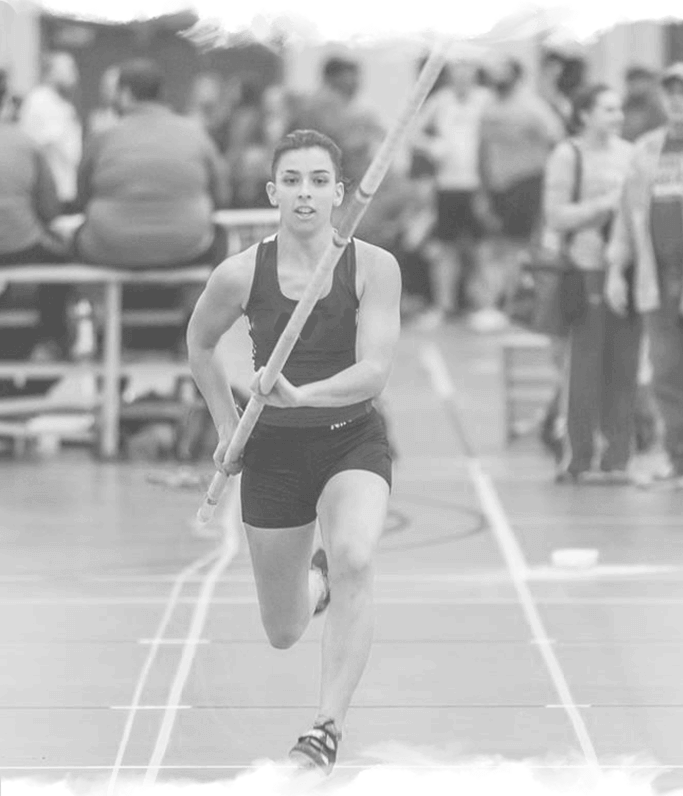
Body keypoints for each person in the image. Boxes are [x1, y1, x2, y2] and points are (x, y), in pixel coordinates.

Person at [186, 129, 399, 771]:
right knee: (283, 631)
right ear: (272, 191)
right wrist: (229, 427)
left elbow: (374, 372)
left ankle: (325, 728)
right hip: (273, 455)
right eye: (292, 181)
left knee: (357, 557)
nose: (304, 194)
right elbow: (199, 345)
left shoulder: (373, 266)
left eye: (317, 181)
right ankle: (316, 583)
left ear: (339, 192)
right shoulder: (241, 271)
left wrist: (302, 396)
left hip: (350, 439)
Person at [544, 83, 637, 483]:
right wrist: (604, 204)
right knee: (584, 365)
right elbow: (555, 216)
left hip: (626, 270)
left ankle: (618, 457)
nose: (617, 116)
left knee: (625, 365)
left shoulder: (631, 153)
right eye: (608, 109)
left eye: (619, 110)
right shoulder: (569, 155)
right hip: (584, 268)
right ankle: (579, 455)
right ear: (584, 114)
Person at [606, 63, 683, 488]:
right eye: (671, 92)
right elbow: (626, 216)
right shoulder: (647, 149)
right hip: (659, 278)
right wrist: (617, 269)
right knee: (666, 371)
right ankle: (678, 458)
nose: (677, 99)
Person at [410, 58, 491, 330]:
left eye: (467, 74)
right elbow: (412, 132)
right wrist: (432, 145)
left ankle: (485, 306)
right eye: (457, 74)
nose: (462, 80)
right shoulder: (440, 101)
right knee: (445, 250)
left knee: (480, 250)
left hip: (477, 184)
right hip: (447, 185)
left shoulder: (485, 100)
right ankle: (443, 306)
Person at [19, 51, 82, 213]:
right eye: (69, 68)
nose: (75, 74)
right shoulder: (39, 100)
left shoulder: (62, 103)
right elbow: (50, 144)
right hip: (52, 192)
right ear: (51, 72)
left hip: (67, 189)